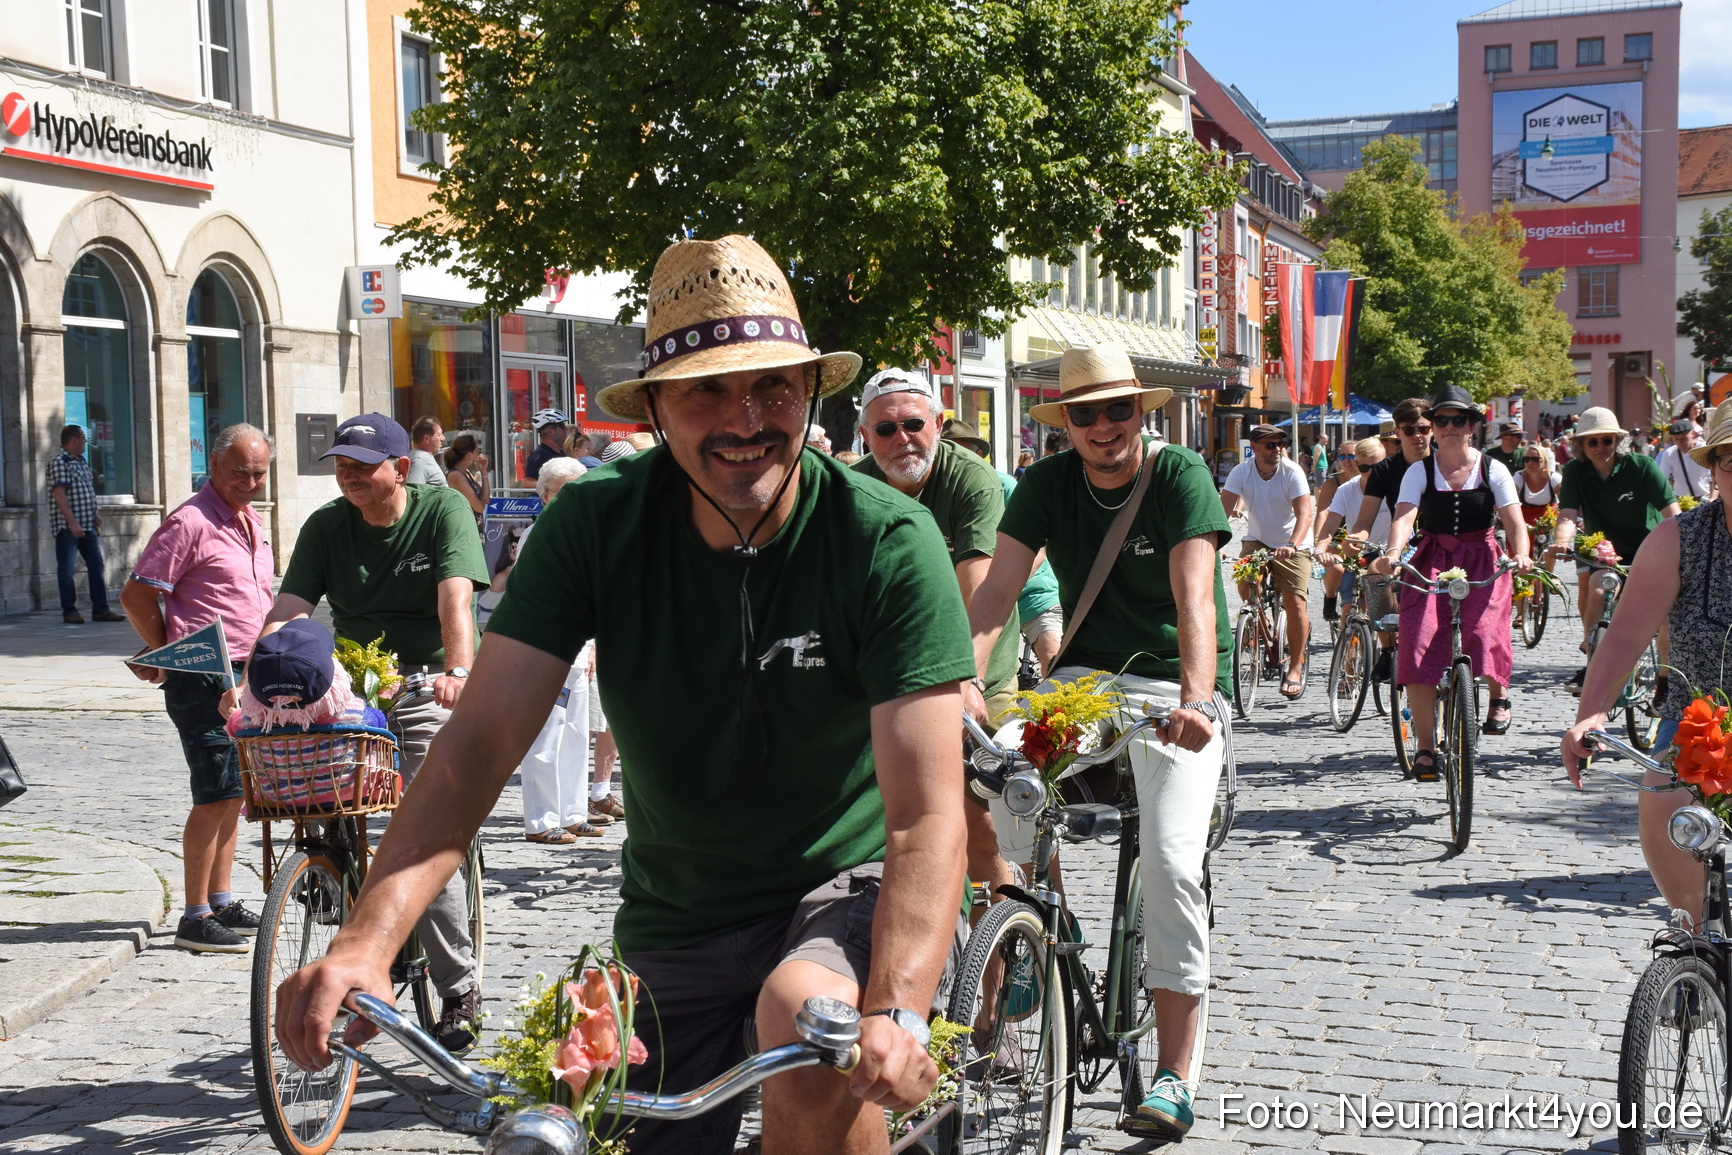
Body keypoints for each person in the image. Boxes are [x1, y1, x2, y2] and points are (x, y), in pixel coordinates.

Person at [272, 235, 972, 1155]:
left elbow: (926, 814)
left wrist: (899, 1008)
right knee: (578, 1125)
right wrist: (366, 940)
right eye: (706, 388)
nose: (746, 417)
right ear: (652, 406)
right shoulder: (596, 524)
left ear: (811, 391)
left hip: (841, 889)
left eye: (773, 386)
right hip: (675, 914)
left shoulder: (886, 538)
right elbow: (478, 743)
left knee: (809, 1030)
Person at [960, 340, 1228, 1144]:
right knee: (997, 772)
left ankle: (1178, 1073)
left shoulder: (1179, 474)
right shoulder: (1044, 484)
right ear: (1066, 423)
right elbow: (996, 595)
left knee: (1175, 860)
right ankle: (1043, 926)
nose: (1104, 425)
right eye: (1086, 413)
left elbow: (1195, 600)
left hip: (1169, 691)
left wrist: (1198, 701)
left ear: (1140, 411)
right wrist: (963, 682)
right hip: (1081, 685)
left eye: (1118, 408)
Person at [256, 411, 489, 1054]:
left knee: (422, 834)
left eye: (363, 465)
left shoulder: (442, 511)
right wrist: (257, 671)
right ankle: (331, 877)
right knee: (311, 793)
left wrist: (458, 670)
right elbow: (290, 610)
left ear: (401, 469)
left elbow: (456, 599)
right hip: (352, 681)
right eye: (341, 465)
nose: (349, 475)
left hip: (424, 681)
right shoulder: (328, 525)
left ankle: (459, 987)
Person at [853, 374, 1021, 911]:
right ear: (865, 435)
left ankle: (1036, 931)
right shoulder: (853, 488)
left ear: (939, 426)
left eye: (913, 424)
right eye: (885, 428)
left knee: (992, 819)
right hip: (893, 672)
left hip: (977, 664)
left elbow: (979, 585)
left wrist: (964, 677)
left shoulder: (969, 479)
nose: (901, 438)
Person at [1561, 404, 1732, 928]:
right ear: (1714, 468)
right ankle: (1699, 948)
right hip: (1698, 725)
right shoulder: (1680, 539)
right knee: (1660, 797)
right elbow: (1628, 634)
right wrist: (1590, 715)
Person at [120, 423, 275, 953]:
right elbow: (137, 593)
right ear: (214, 466)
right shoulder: (190, 520)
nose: (250, 482)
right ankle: (193, 914)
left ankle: (222, 897)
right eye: (240, 472)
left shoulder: (250, 520)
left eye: (259, 473)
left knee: (236, 791)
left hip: (245, 672)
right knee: (214, 792)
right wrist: (167, 651)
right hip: (205, 673)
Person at [1369, 386, 1531, 763]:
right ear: (1434, 426)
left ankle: (1498, 695)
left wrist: (1520, 554)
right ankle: (1426, 746)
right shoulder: (1419, 471)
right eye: (1441, 420)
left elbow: (1515, 521)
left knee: (1485, 628)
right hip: (1432, 558)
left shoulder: (1494, 468)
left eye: (1459, 419)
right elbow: (1405, 516)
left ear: (1472, 425)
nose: (1450, 426)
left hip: (1483, 557)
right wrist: (1393, 553)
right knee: (1418, 641)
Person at [1553, 407, 1680, 694]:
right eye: (1592, 442)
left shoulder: (1642, 466)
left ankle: (1664, 680)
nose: (1600, 447)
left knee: (1665, 614)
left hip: (1650, 551)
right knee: (1597, 590)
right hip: (1605, 553)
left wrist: (1682, 543)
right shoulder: (1575, 471)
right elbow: (1568, 514)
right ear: (1581, 446)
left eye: (1607, 440)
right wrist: (1562, 539)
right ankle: (1592, 662)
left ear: (1617, 441)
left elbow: (1671, 513)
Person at [515, 456, 607, 844]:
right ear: (544, 496)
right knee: (545, 738)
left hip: (579, 653)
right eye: (562, 491)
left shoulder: (584, 533)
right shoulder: (539, 536)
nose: (572, 497)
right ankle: (541, 820)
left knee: (575, 736)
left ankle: (572, 812)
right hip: (548, 652)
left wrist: (591, 646)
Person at [940, 419, 1065, 681]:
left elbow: (1039, 546)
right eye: (948, 450)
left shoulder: (1004, 484)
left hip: (1029, 587)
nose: (955, 458)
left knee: (1055, 657)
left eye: (963, 452)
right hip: (968, 590)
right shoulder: (939, 492)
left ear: (978, 455)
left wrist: (1005, 584)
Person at [1220, 424, 1313, 698]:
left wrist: (1293, 544)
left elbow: (1305, 514)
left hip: (1292, 543)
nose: (1277, 449)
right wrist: (1214, 544)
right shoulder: (1241, 472)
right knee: (1245, 581)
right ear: (1255, 446)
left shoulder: (1292, 472)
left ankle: (1295, 666)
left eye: (1280, 444)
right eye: (1270, 445)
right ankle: (1256, 621)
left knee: (1295, 601)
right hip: (1258, 539)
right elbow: (1222, 510)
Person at [1353, 399, 1434, 681]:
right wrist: (1356, 537)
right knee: (1374, 574)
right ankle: (1388, 649)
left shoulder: (1444, 464)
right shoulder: (1384, 470)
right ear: (1397, 433)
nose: (1417, 436)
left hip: (1439, 547)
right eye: (1409, 430)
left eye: (1424, 428)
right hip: (1403, 547)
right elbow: (1365, 520)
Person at [48, 423, 124, 624]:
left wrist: (95, 513)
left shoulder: (80, 461)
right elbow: (59, 493)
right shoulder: (60, 461)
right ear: (74, 440)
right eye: (83, 438)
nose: (85, 442)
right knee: (66, 568)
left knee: (96, 565)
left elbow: (87, 491)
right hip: (68, 526)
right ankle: (69, 610)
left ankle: (100, 609)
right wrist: (72, 522)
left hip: (88, 524)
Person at [1313, 438, 1390, 624]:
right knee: (1348, 610)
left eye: (1377, 467)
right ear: (1357, 465)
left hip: (1389, 553)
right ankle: (1348, 650)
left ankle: (1387, 650)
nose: (1371, 473)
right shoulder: (1346, 490)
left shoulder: (1395, 487)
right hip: (1358, 553)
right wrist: (1320, 548)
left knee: (1384, 614)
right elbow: (1330, 523)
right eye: (1364, 468)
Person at [1656, 417, 1713, 502]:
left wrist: (1713, 498)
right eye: (1676, 439)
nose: (1680, 442)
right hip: (1681, 499)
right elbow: (1663, 479)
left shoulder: (1703, 449)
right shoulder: (1669, 453)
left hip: (1705, 498)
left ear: (1692, 434)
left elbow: (1713, 477)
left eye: (1683, 439)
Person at [443, 433, 490, 524]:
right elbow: (479, 507)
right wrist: (481, 502)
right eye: (477, 450)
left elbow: (486, 499)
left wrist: (484, 472)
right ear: (469, 455)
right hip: (465, 527)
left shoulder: (466, 472)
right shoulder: (456, 475)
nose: (478, 454)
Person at [1516, 443, 1563, 527]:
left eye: (1535, 459)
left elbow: (1565, 503)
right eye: (1527, 459)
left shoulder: (1554, 478)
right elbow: (1509, 502)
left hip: (1549, 524)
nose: (1530, 463)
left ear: (1544, 461)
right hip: (1525, 524)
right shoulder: (1518, 478)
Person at [525, 409, 570, 480]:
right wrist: (552, 485)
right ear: (551, 431)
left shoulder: (562, 453)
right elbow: (526, 484)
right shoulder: (539, 455)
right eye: (562, 426)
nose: (566, 429)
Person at [408, 417, 449, 486]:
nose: (443, 438)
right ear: (427, 438)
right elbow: (414, 493)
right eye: (439, 435)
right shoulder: (420, 460)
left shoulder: (422, 458)